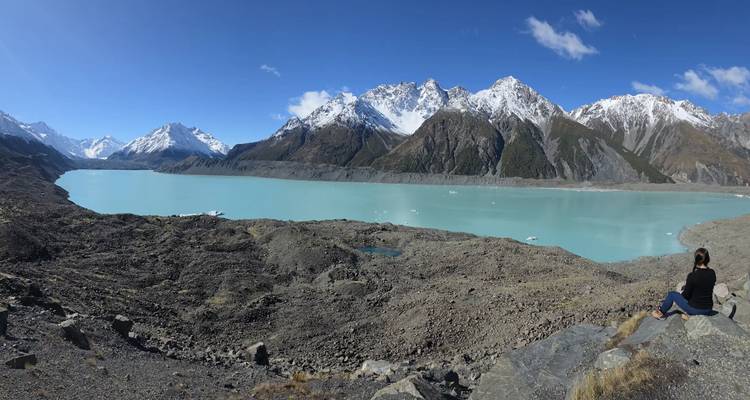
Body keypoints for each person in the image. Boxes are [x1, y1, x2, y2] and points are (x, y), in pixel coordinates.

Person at [652, 248, 716, 319]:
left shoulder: (692, 276)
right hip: (708, 308)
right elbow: (703, 288)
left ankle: (660, 313)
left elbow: (686, 296)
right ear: (708, 259)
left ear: (696, 260)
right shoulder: (712, 273)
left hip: (696, 310)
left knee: (672, 294)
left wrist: (681, 293)